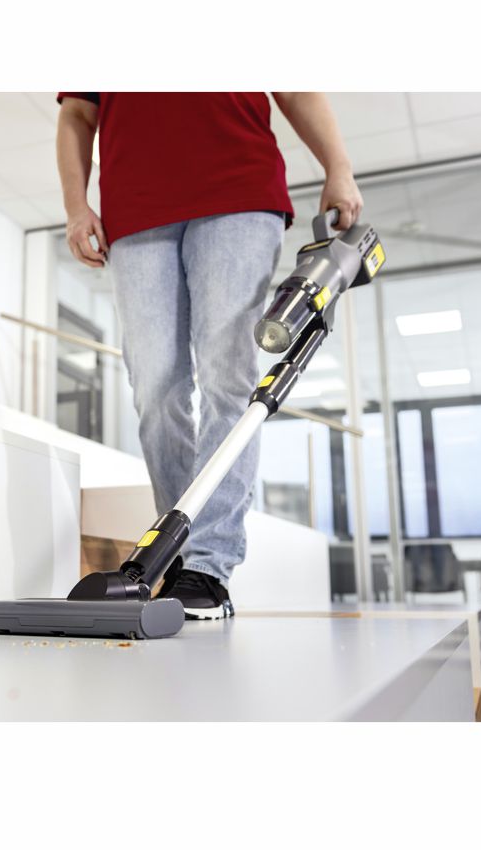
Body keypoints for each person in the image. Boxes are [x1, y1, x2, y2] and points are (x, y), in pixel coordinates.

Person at [56, 92, 363, 619]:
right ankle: (175, 551)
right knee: (155, 389)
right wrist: (75, 207)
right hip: (135, 208)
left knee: (227, 377)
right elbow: (78, 113)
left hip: (237, 190)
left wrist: (339, 167)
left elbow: (294, 90)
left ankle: (207, 565)